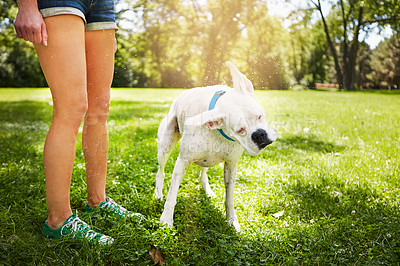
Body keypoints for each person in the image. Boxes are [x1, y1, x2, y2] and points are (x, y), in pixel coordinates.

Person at [14, 0, 140, 245]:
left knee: (99, 109)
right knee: (71, 108)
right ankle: (58, 220)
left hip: (102, 5)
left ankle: (97, 200)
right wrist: (27, 5)